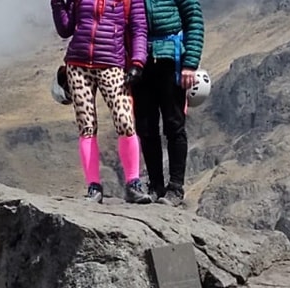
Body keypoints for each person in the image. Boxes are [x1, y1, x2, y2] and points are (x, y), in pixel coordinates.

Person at [53, 0, 153, 204]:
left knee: (125, 122)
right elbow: (65, 29)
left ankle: (133, 183)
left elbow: (139, 28)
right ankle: (93, 187)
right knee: (86, 125)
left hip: (113, 64)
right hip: (78, 64)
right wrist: (57, 4)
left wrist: (137, 62)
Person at [134, 0, 204, 206]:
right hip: (141, 62)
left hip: (171, 61)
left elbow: (194, 20)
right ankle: (155, 186)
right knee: (146, 127)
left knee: (174, 125)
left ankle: (175, 188)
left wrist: (190, 64)